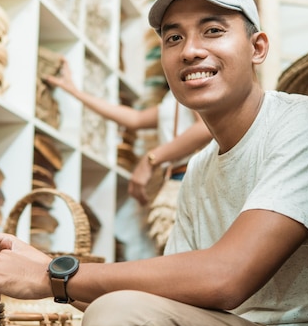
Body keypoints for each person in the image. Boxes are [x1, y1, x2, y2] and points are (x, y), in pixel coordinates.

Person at [0, 0, 308, 326]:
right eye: (174, 37)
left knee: (112, 314)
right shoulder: (200, 170)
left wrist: (53, 275)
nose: (190, 50)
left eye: (213, 30)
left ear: (258, 48)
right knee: (111, 309)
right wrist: (37, 266)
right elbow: (171, 298)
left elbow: (227, 277)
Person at [45, 59, 212, 257]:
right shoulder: (174, 95)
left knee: (183, 262)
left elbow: (204, 128)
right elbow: (135, 119)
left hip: (190, 180)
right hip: (176, 181)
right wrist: (75, 92)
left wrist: (151, 159)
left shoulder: (193, 84)